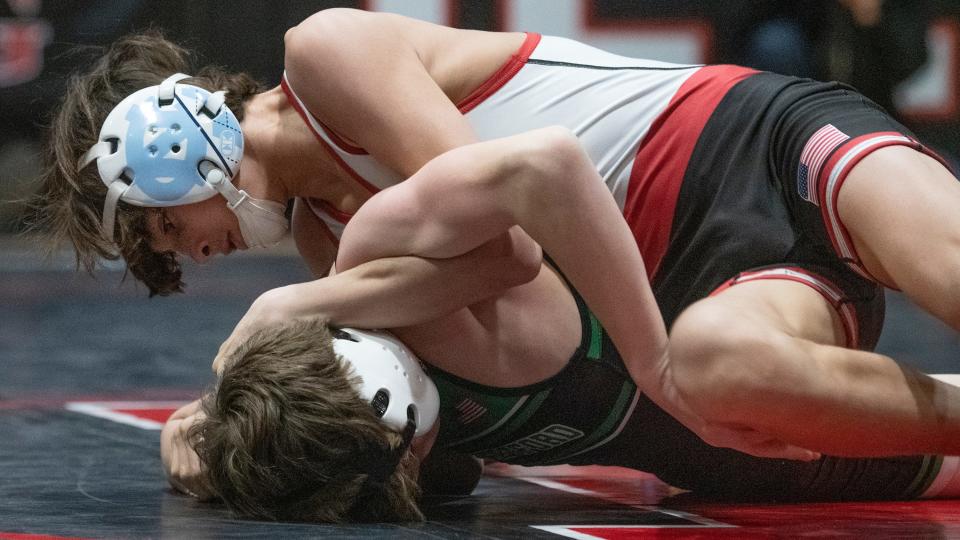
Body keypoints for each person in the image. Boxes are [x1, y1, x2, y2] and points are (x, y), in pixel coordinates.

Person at [33, 8, 960, 460]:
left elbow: (516, 220)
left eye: (167, 230)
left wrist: (297, 302)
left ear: (178, 152)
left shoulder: (325, 58)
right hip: (696, 278)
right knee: (722, 373)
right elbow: (509, 287)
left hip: (745, 141)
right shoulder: (329, 236)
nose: (193, 256)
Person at [166, 129, 960, 523]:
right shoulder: (328, 445)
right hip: (747, 406)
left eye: (413, 451)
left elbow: (542, 164)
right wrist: (198, 439)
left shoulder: (378, 251)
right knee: (736, 382)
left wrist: (288, 303)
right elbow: (193, 441)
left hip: (755, 179)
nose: (427, 469)